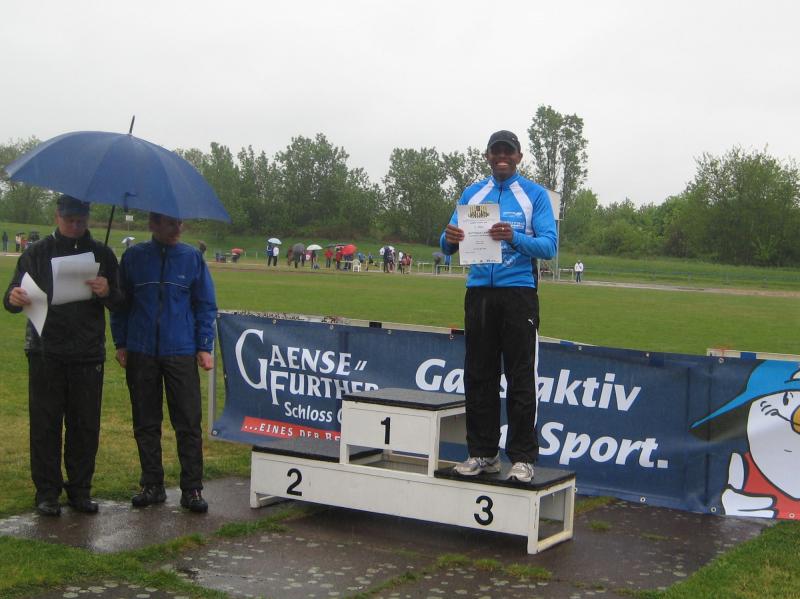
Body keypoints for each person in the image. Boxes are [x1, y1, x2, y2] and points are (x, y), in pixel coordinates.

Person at [441, 130, 557, 483]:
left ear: (519, 156)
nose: (502, 157)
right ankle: (483, 453)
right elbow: (446, 244)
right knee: (479, 376)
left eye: (508, 151)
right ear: (488, 156)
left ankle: (522, 458)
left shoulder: (534, 195)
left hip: (518, 292)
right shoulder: (472, 194)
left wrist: (513, 237)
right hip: (479, 292)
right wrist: (449, 238)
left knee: (520, 377)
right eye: (496, 152)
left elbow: (549, 246)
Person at [3, 195, 123, 516]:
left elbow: (122, 302)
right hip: (45, 351)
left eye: (81, 220)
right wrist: (14, 297)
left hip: (87, 353)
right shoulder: (37, 253)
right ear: (57, 216)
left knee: (85, 425)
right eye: (70, 220)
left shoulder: (102, 254)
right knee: (45, 424)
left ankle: (80, 490)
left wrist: (107, 291)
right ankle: (47, 492)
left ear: (88, 218)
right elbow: (11, 297)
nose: (75, 226)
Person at [111, 212, 217, 513]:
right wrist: (121, 342)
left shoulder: (192, 258)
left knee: (188, 422)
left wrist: (204, 345)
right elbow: (120, 304)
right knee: (145, 421)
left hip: (180, 350)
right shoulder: (133, 258)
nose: (177, 228)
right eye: (170, 223)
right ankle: (152, 484)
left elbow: (205, 305)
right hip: (141, 349)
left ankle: (192, 488)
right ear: (153, 224)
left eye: (179, 223)